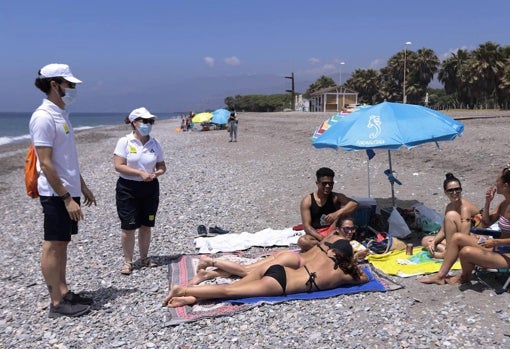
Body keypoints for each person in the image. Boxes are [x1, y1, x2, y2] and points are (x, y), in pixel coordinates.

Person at [29, 63, 96, 318]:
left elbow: (65, 159)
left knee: (63, 243)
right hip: (56, 194)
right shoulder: (44, 116)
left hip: (69, 189)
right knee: (53, 245)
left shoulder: (61, 113)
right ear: (54, 84)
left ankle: (64, 291)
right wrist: (67, 198)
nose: (74, 88)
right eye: (70, 84)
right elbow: (45, 163)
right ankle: (56, 302)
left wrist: (82, 186)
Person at [163, 239, 368, 307]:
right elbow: (364, 278)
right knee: (228, 292)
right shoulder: (344, 274)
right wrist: (354, 262)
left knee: (234, 286)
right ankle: (182, 290)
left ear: (332, 251)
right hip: (279, 284)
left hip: (281, 270)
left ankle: (190, 298)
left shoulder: (322, 254)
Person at [189, 217, 366, 285]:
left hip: (290, 257)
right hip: (295, 262)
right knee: (246, 272)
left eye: (352, 229)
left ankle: (208, 274)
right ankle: (210, 262)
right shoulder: (341, 244)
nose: (349, 232)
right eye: (347, 229)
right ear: (339, 229)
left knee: (249, 270)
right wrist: (356, 257)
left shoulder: (329, 239)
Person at [419, 167, 510, 285]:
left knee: (464, 249)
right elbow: (487, 222)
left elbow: (472, 230)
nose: (495, 184)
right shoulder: (504, 204)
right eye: (450, 190)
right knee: (460, 243)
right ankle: (447, 276)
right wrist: (488, 202)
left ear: (506, 186)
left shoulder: (465, 207)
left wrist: (496, 242)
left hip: (506, 254)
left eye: (498, 181)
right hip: (497, 247)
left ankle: (454, 274)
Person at [113, 107, 166, 275]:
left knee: (146, 225)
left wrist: (156, 173)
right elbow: (118, 165)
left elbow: (162, 166)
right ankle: (128, 261)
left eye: (150, 121)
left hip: (150, 188)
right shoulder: (125, 141)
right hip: (128, 188)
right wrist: (140, 173)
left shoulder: (155, 143)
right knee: (128, 227)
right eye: (145, 121)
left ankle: (144, 258)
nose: (148, 124)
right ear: (134, 122)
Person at [297, 167, 359, 251]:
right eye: (324, 183)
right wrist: (323, 239)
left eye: (330, 184)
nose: (327, 186)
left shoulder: (335, 197)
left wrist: (337, 213)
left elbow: (354, 204)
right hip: (317, 234)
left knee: (344, 215)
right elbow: (307, 226)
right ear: (317, 183)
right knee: (303, 241)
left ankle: (325, 248)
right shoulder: (307, 201)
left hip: (334, 231)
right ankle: (331, 247)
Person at [421, 173, 480, 259]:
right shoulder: (449, 207)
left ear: (461, 190)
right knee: (426, 240)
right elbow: (443, 231)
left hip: (470, 239)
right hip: (454, 240)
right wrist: (434, 242)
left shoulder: (465, 207)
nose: (455, 192)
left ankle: (447, 254)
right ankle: (448, 252)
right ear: (445, 192)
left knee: (451, 216)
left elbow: (465, 235)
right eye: (451, 190)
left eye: (457, 189)